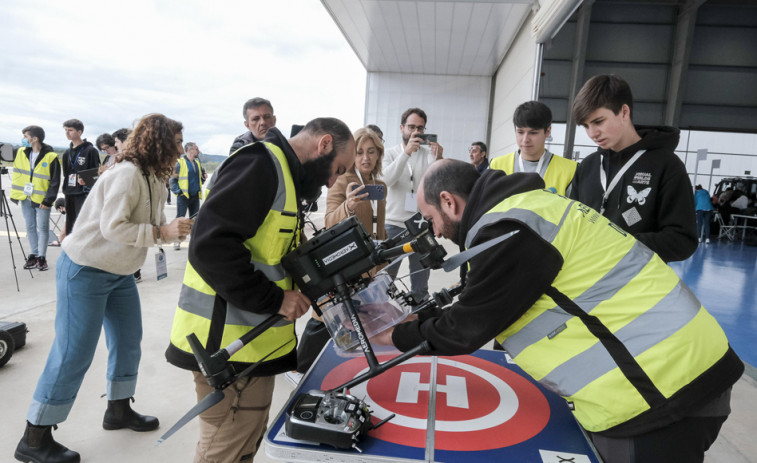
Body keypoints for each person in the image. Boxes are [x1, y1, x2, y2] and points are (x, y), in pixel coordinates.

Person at [373, 159, 744, 463]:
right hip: (687, 366)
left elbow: (465, 329)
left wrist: (392, 334)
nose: (433, 231)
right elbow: (484, 299)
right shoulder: (530, 208)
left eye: (430, 217)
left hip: (660, 392)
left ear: (449, 202)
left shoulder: (507, 230)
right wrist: (420, 318)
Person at [165, 117, 355, 463]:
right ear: (323, 144)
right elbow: (210, 246)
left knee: (244, 445)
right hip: (227, 349)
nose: (331, 182)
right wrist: (276, 299)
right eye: (336, 169)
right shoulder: (260, 165)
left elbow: (269, 250)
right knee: (224, 450)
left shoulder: (284, 175)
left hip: (253, 350)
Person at [15, 114, 193, 463]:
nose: (179, 147)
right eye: (175, 141)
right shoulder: (126, 174)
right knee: (73, 352)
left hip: (119, 272)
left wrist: (176, 228)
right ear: (157, 142)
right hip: (85, 269)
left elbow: (151, 222)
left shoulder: (154, 176)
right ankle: (33, 438)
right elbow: (114, 228)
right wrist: (163, 234)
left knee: (128, 342)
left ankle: (118, 410)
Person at [288, 127, 388, 384]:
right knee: (325, 317)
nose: (366, 158)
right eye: (360, 152)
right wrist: (348, 206)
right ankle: (300, 368)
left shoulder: (379, 186)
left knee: (357, 318)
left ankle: (344, 365)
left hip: (368, 263)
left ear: (378, 155)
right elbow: (329, 221)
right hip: (342, 260)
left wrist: (383, 258)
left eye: (371, 152)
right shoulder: (343, 181)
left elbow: (379, 227)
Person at [568, 75, 697, 262]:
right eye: (585, 126)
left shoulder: (666, 165)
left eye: (598, 122)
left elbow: (682, 240)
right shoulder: (588, 166)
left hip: (638, 284)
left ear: (624, 112)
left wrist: (619, 245)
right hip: (586, 280)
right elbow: (574, 224)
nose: (592, 134)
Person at [382, 107, 443, 301]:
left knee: (420, 284)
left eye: (420, 128)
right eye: (411, 127)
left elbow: (437, 184)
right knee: (384, 282)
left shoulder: (428, 154)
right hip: (393, 225)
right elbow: (387, 180)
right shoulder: (390, 153)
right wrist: (406, 153)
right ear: (401, 128)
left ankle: (418, 319)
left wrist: (439, 159)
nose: (415, 132)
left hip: (421, 226)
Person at [490, 101, 577, 195]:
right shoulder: (496, 166)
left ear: (547, 131)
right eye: (520, 132)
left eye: (533, 133)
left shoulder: (570, 170)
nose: (525, 139)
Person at [10, 125, 61, 271]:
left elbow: (55, 181)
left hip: (42, 199)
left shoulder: (51, 156)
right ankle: (33, 254)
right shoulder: (21, 152)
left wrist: (48, 200)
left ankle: (42, 258)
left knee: (43, 228)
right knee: (30, 226)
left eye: (25, 137)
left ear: (35, 138)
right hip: (26, 197)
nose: (23, 139)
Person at [60, 119, 101, 237]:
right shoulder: (67, 153)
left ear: (79, 132)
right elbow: (66, 174)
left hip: (83, 194)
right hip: (69, 192)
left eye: (70, 130)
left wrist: (86, 181)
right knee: (70, 226)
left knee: (82, 225)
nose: (67, 133)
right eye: (66, 130)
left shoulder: (90, 151)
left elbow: (96, 174)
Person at [170, 142, 206, 250]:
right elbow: (172, 180)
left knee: (195, 220)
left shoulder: (197, 164)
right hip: (183, 196)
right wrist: (178, 191)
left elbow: (199, 181)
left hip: (195, 196)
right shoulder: (180, 163)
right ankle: (177, 240)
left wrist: (203, 179)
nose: (198, 151)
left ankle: (194, 242)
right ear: (190, 150)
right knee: (180, 219)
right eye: (196, 149)